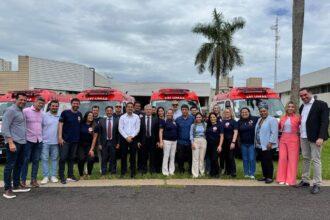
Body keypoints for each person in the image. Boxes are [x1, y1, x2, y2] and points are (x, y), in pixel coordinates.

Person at [296, 88, 329, 194]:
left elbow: (325, 122)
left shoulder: (321, 104)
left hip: (316, 137)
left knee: (316, 159)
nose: (303, 97)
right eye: (301, 96)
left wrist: (321, 137)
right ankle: (305, 180)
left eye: (305, 95)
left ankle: (317, 183)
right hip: (304, 136)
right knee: (305, 158)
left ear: (310, 93)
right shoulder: (302, 106)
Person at [2, 93, 30, 199]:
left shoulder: (20, 110)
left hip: (22, 142)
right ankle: (7, 189)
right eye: (21, 100)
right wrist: (10, 142)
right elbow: (5, 128)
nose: (23, 101)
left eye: (25, 100)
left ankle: (16, 185)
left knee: (19, 165)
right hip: (14, 143)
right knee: (10, 166)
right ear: (15, 99)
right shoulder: (11, 110)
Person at [21, 96, 45, 187]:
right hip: (28, 140)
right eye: (39, 103)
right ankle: (23, 181)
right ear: (35, 102)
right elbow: (21, 124)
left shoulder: (42, 113)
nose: (40, 105)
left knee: (36, 160)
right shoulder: (26, 111)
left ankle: (33, 180)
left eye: (42, 104)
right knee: (25, 160)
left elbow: (42, 126)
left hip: (39, 140)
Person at [58, 98, 82, 184]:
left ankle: (70, 175)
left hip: (75, 140)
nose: (76, 105)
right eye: (74, 103)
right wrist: (60, 137)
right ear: (71, 104)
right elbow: (60, 125)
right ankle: (61, 176)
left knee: (71, 158)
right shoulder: (65, 113)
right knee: (63, 158)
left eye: (77, 104)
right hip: (65, 140)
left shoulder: (79, 114)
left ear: (79, 105)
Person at [276, 101, 301, 186]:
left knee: (292, 160)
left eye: (292, 107)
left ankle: (290, 180)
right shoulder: (282, 117)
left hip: (294, 139)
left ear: (294, 108)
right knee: (282, 158)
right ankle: (281, 178)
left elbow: (302, 128)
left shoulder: (298, 117)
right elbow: (279, 127)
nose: (290, 108)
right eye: (289, 106)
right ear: (286, 108)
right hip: (283, 139)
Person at [255, 102, 278, 184]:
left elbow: (274, 132)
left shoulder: (272, 119)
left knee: (268, 161)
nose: (262, 112)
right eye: (261, 111)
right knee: (263, 161)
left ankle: (269, 177)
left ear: (267, 110)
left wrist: (271, 142)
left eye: (264, 111)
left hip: (268, 145)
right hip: (260, 145)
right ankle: (265, 176)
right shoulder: (259, 119)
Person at [41, 100, 60, 185]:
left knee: (54, 159)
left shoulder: (60, 116)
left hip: (56, 142)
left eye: (56, 106)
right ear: (49, 106)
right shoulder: (44, 116)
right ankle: (45, 176)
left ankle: (53, 176)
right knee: (44, 159)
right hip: (45, 142)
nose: (54, 107)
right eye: (53, 106)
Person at [119, 102, 140, 178]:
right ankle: (123, 172)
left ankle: (133, 172)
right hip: (124, 139)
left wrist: (131, 136)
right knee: (123, 156)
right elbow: (120, 128)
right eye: (128, 107)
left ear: (133, 108)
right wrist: (126, 137)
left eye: (131, 107)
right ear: (126, 108)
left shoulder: (136, 117)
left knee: (133, 156)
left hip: (133, 139)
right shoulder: (122, 117)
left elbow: (137, 128)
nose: (130, 108)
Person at [98, 106, 120, 176]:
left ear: (112, 111)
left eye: (110, 110)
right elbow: (99, 134)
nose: (109, 112)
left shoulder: (117, 120)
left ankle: (113, 171)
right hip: (104, 142)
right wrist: (99, 144)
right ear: (106, 111)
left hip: (113, 142)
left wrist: (118, 143)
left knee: (113, 157)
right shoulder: (101, 121)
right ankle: (103, 172)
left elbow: (119, 133)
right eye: (108, 111)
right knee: (104, 158)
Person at [137, 105, 159, 174]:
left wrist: (158, 141)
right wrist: (138, 141)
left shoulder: (156, 119)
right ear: (144, 110)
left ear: (152, 110)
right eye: (147, 109)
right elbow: (138, 131)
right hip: (143, 140)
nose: (149, 111)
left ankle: (152, 169)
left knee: (152, 156)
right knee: (143, 156)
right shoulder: (140, 119)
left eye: (150, 109)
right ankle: (144, 169)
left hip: (153, 140)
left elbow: (157, 131)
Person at [237, 107, 258, 179]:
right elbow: (237, 133)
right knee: (245, 159)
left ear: (249, 112)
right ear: (241, 114)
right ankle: (246, 173)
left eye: (246, 112)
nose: (244, 113)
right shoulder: (239, 122)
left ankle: (252, 173)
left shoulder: (255, 119)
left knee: (252, 158)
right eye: (243, 112)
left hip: (252, 143)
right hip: (243, 143)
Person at [77, 111, 98, 179]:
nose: (90, 117)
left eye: (92, 115)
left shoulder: (95, 126)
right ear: (86, 116)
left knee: (90, 159)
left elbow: (94, 138)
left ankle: (89, 173)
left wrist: (92, 149)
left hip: (89, 145)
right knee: (81, 159)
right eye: (89, 115)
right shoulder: (81, 124)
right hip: (81, 145)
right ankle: (81, 175)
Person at [176, 104, 194, 173]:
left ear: (188, 110)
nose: (184, 111)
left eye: (185, 110)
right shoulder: (178, 119)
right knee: (180, 157)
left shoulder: (192, 119)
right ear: (181, 111)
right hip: (180, 142)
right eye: (183, 110)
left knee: (190, 157)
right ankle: (181, 169)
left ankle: (190, 169)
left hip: (189, 142)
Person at [159, 109, 178, 176]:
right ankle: (165, 172)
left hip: (174, 141)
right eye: (168, 113)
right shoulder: (164, 121)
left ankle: (171, 171)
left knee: (172, 157)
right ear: (166, 114)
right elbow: (160, 132)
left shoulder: (174, 121)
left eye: (171, 113)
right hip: (166, 141)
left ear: (173, 114)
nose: (170, 114)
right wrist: (161, 142)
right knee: (166, 156)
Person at [206, 113, 224, 177]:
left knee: (215, 159)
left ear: (216, 118)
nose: (212, 118)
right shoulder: (208, 126)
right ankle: (212, 173)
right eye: (211, 117)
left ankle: (218, 172)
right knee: (211, 159)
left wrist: (220, 145)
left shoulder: (219, 125)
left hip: (216, 145)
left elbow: (222, 136)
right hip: (209, 145)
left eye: (214, 117)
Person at [222, 108, 238, 177]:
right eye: (225, 112)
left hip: (231, 141)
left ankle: (233, 172)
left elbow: (235, 132)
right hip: (224, 142)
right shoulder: (222, 122)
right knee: (225, 157)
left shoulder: (233, 122)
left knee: (231, 157)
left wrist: (233, 142)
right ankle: (227, 172)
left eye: (228, 112)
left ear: (231, 113)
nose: (226, 113)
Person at [190, 113, 207, 178]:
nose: (198, 118)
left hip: (203, 140)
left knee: (202, 158)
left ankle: (201, 172)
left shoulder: (205, 124)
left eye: (199, 117)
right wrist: (192, 143)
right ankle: (195, 174)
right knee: (195, 158)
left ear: (202, 118)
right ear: (195, 118)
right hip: (195, 141)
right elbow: (191, 134)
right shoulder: (193, 125)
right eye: (197, 117)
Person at [91, 105, 102, 174]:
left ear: (98, 111)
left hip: (98, 141)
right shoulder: (89, 119)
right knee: (90, 155)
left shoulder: (101, 119)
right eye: (94, 110)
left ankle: (101, 169)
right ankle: (87, 169)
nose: (95, 112)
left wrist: (100, 142)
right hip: (90, 141)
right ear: (92, 111)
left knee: (100, 155)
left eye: (96, 110)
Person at [155, 107, 165, 173]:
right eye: (159, 111)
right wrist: (158, 141)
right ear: (157, 113)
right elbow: (156, 132)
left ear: (164, 112)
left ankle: (163, 168)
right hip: (159, 140)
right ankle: (158, 169)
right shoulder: (156, 120)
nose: (160, 112)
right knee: (158, 155)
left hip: (166, 140)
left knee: (164, 155)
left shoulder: (165, 120)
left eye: (162, 111)